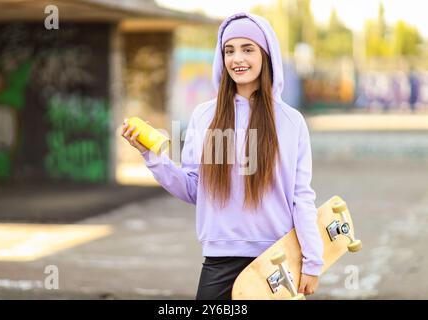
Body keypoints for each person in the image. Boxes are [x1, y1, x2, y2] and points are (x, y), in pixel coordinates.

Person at [121, 12, 323, 300]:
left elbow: (301, 197)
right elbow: (193, 188)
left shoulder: (291, 122)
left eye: (247, 49)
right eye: (229, 50)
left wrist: (312, 262)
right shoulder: (205, 116)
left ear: (266, 55)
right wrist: (152, 156)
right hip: (219, 259)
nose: (237, 58)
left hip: (276, 259)